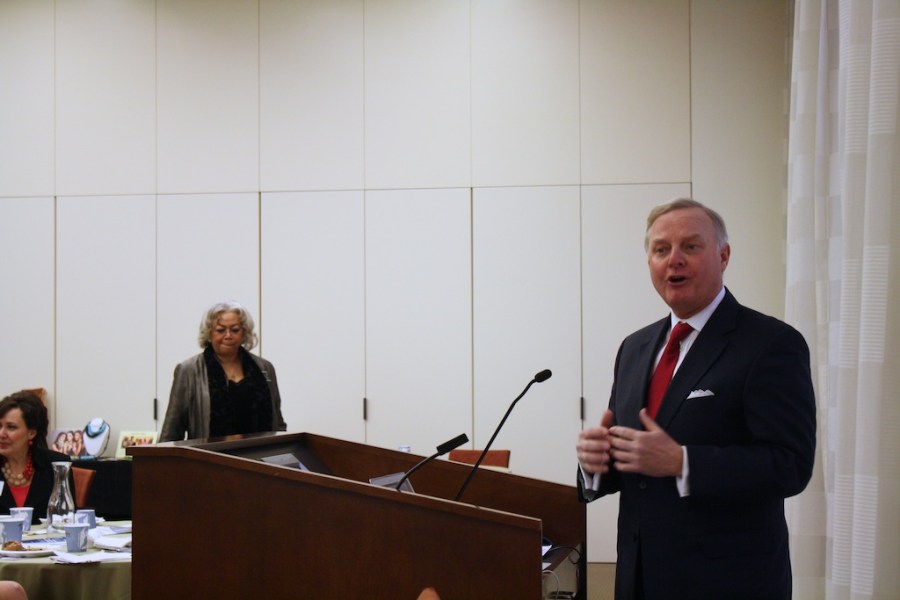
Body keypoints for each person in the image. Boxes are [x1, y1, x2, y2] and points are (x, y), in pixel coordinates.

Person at [576, 198, 816, 600]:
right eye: (661, 249)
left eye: (691, 246)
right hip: (638, 580)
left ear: (723, 256)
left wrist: (683, 462)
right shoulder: (634, 348)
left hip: (729, 582)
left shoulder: (771, 343)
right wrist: (595, 464)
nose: (674, 260)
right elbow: (637, 463)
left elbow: (790, 465)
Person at [160, 300, 287, 442]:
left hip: (257, 457)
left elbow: (278, 423)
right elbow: (172, 429)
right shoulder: (189, 370)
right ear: (209, 333)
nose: (228, 336)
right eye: (220, 330)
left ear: (244, 332)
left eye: (235, 330)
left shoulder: (265, 368)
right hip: (209, 460)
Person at [0, 391, 73, 524]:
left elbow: (67, 519)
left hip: (47, 543)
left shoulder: (56, 466)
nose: (2, 434)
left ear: (31, 432)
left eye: (11, 427)